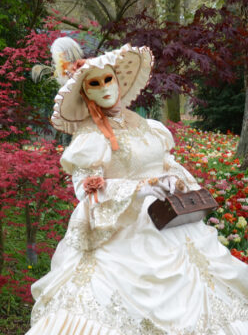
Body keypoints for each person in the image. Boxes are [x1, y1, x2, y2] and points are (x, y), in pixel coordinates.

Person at [26, 37, 248, 335]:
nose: (105, 87)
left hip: (173, 222)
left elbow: (166, 163)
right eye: (94, 84)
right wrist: (138, 189)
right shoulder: (90, 137)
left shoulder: (145, 124)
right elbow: (85, 190)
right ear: (85, 92)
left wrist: (175, 180)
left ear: (118, 80)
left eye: (108, 79)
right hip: (123, 234)